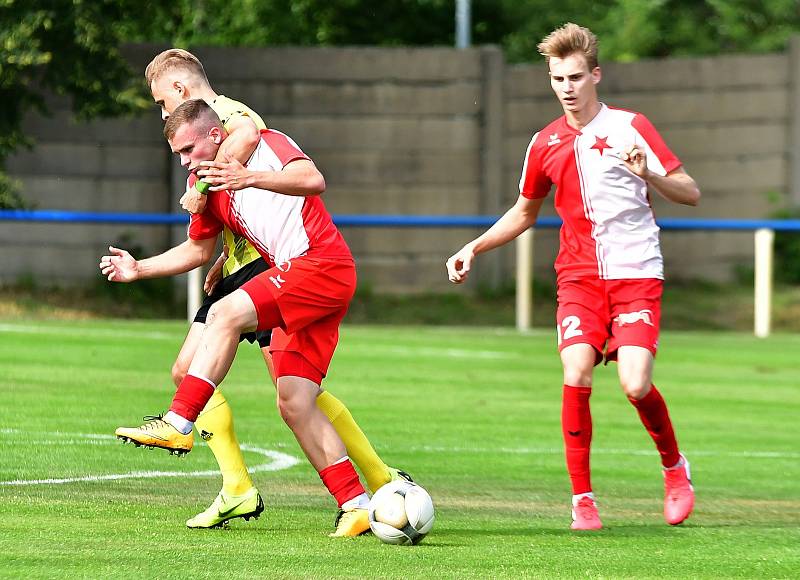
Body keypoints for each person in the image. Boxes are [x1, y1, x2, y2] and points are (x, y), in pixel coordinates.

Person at [137, 49, 408, 531]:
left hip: (317, 266)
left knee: (222, 318)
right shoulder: (212, 191)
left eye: (187, 151)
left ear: (215, 135)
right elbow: (198, 250)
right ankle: (357, 504)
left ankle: (178, 424)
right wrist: (139, 269)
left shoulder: (259, 138)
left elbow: (313, 179)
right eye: (176, 154)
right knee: (295, 399)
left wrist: (247, 174)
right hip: (299, 277)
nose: (183, 164)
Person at [446, 23, 699, 531]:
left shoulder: (632, 127)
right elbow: (523, 213)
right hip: (579, 279)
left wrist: (647, 172)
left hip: (635, 274)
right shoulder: (544, 143)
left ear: (595, 75)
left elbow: (689, 191)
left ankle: (674, 468)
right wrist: (473, 246)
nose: (567, 86)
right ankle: (583, 500)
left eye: (577, 76)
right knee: (575, 372)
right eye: (558, 77)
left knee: (634, 383)